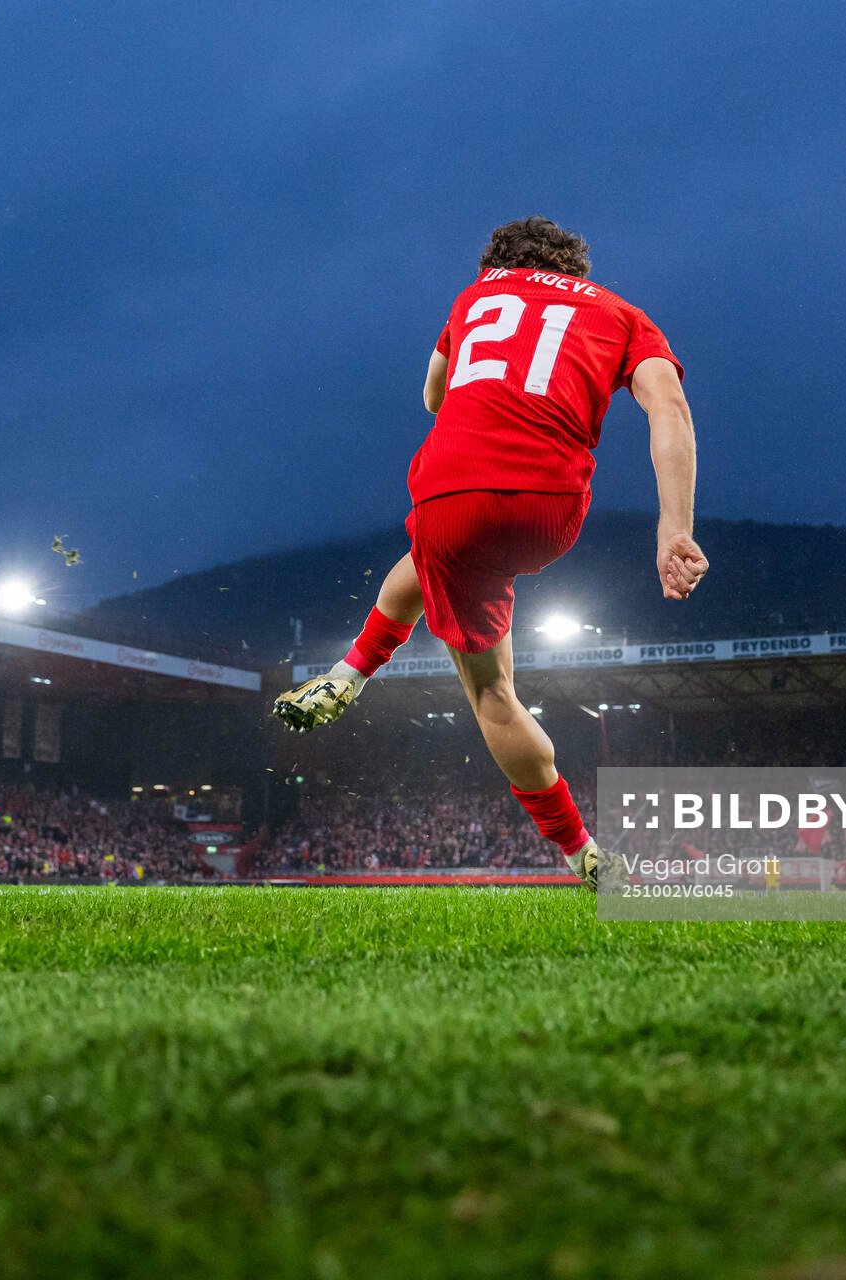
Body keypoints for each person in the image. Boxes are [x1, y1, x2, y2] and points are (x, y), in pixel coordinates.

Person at [272, 217, 707, 888]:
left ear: (498, 262)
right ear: (574, 269)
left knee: (492, 691)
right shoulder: (622, 313)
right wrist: (674, 528)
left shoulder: (475, 295)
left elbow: (433, 396)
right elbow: (669, 408)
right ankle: (347, 674)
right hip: (551, 507)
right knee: (432, 560)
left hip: (452, 491)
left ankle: (582, 853)